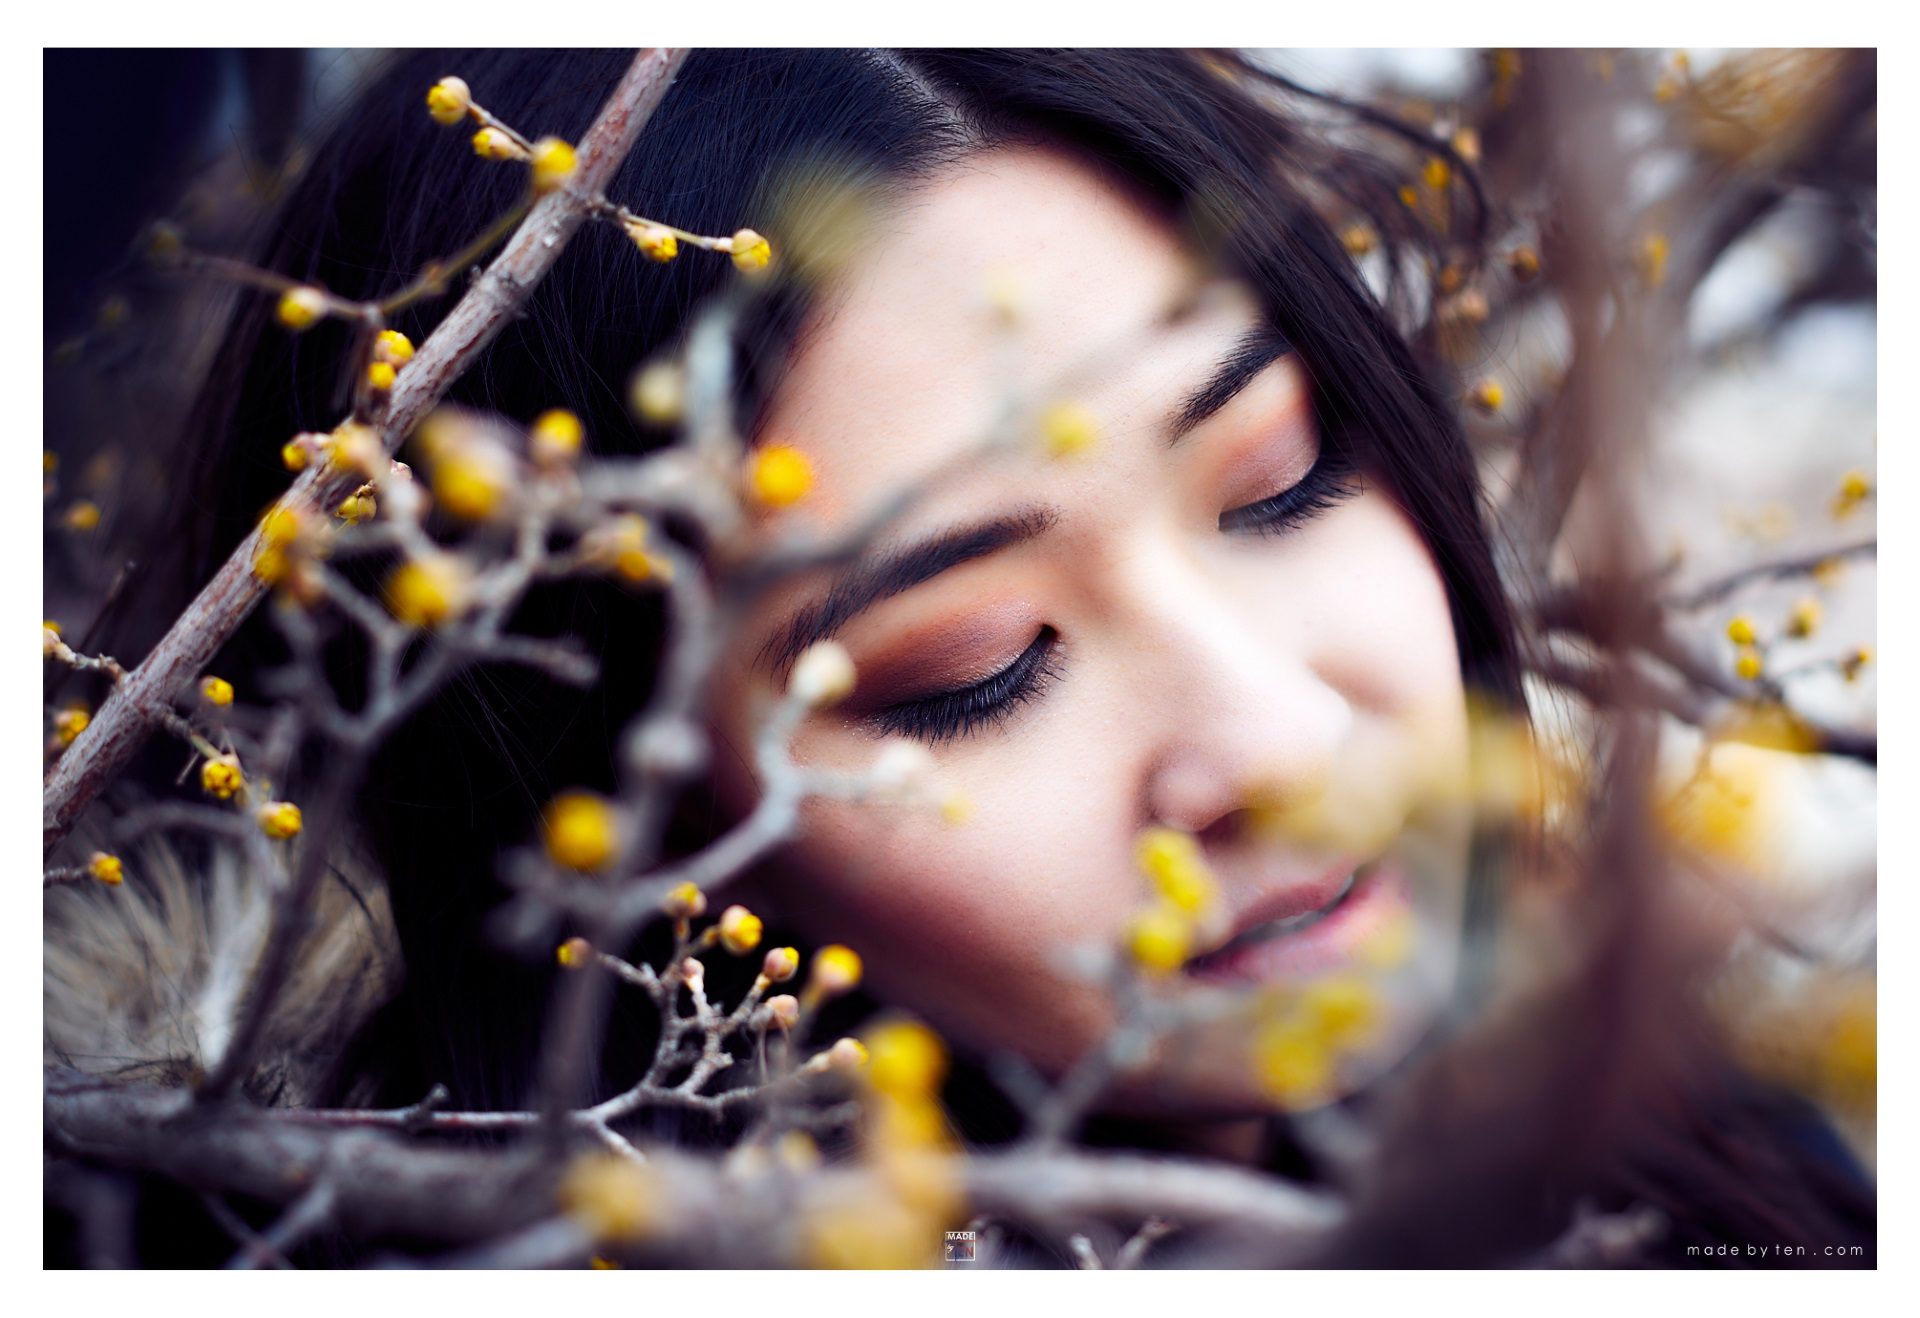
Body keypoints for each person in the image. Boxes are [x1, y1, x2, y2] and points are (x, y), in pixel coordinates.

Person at [90, 48, 1870, 1267]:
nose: (1281, 733)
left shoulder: (1704, 1154)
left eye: (1281, 479)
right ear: (617, 830)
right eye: (971, 666)